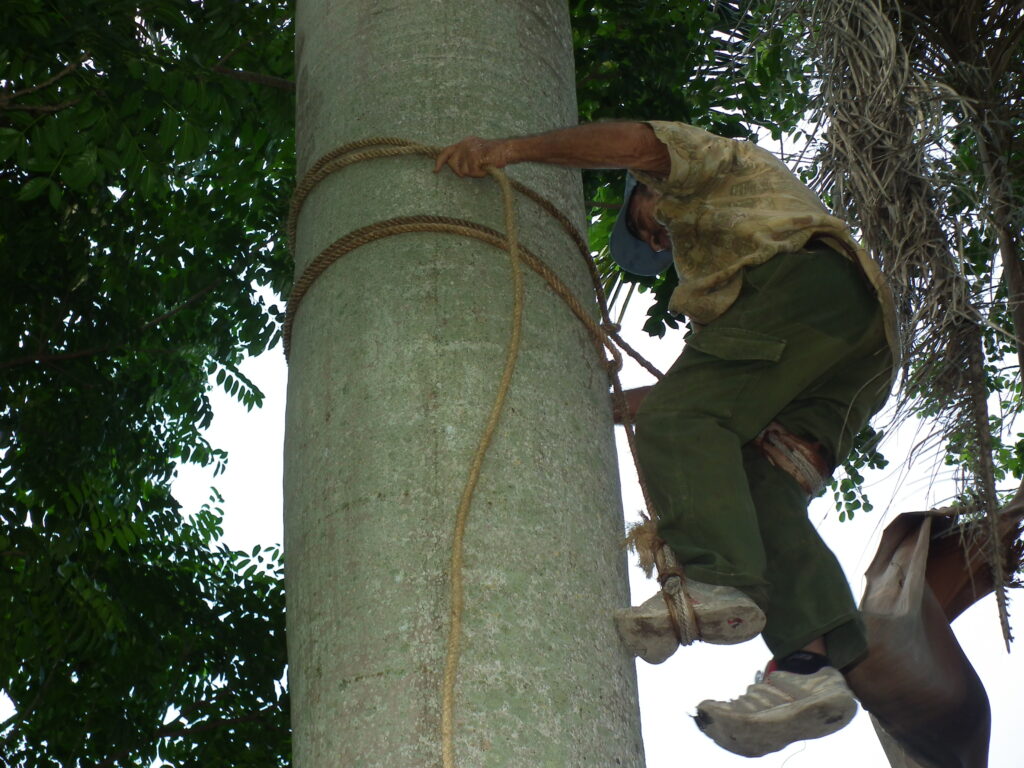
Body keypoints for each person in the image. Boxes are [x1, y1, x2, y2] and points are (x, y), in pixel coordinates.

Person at [434, 121, 897, 757]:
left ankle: (716, 578)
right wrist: (603, 408)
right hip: (859, 346)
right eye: (653, 241)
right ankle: (807, 668)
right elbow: (708, 404)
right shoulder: (737, 272)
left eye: (648, 225)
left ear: (642, 188)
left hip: (803, 284)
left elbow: (632, 145)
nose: (660, 237)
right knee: (760, 486)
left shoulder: (699, 162)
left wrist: (503, 149)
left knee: (681, 422)